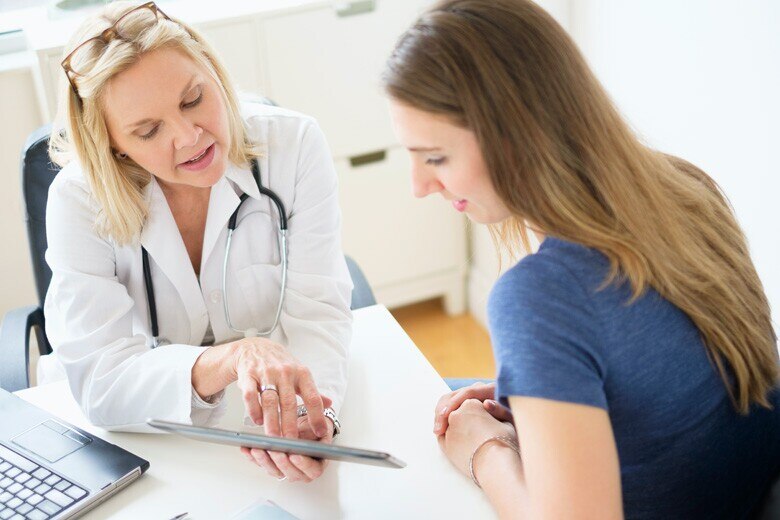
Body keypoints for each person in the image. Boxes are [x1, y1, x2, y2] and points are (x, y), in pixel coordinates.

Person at [383, 0, 780, 517]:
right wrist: (542, 398)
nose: (419, 187)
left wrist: (484, 451)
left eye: (436, 158)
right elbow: (674, 377)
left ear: (516, 136)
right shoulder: (685, 187)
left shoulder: (539, 295)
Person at [42, 1, 352, 483]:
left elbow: (317, 313)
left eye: (193, 100)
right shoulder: (78, 201)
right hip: (150, 448)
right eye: (148, 130)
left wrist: (313, 415)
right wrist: (230, 359)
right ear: (112, 143)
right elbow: (102, 381)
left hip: (267, 421)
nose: (190, 138)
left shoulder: (293, 147)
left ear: (213, 71)